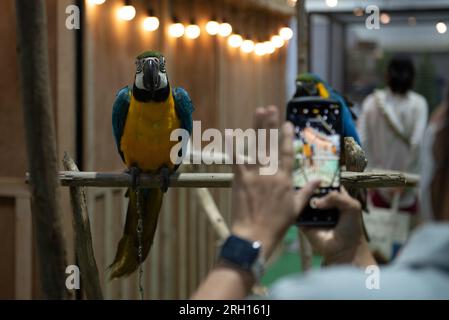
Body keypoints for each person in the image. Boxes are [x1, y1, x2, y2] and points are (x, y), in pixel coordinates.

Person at [191, 93, 449, 299]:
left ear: (438, 170)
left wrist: (246, 245)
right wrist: (352, 253)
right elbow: (380, 290)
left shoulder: (308, 294)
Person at [357, 55, 428, 213]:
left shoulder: (371, 103)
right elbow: (417, 144)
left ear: (387, 76)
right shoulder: (419, 104)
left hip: (378, 190)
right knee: (407, 236)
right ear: (413, 77)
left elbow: (361, 142)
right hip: (407, 191)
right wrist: (403, 180)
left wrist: (375, 177)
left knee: (377, 235)